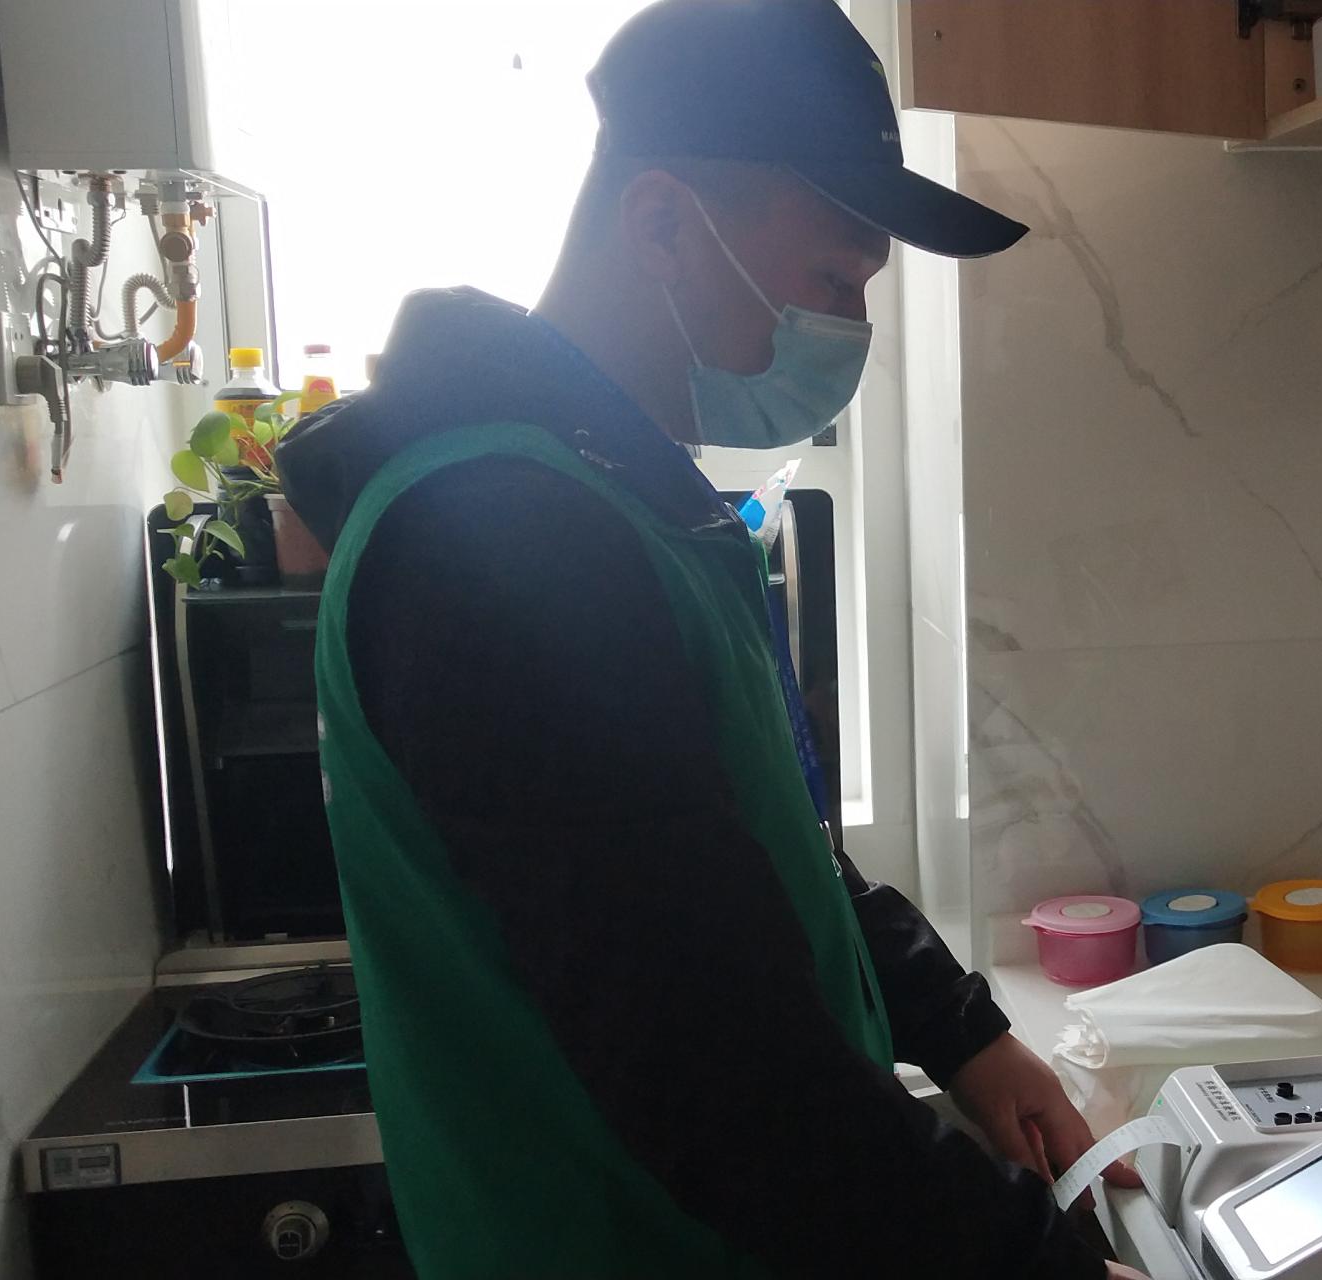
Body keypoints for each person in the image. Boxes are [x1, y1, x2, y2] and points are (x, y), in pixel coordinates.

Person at [277, 1, 1144, 1276]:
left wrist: (962, 1031)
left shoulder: (611, 496)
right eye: (833, 280)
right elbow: (723, 1076)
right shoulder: (504, 537)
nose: (848, 331)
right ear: (663, 226)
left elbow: (753, 850)